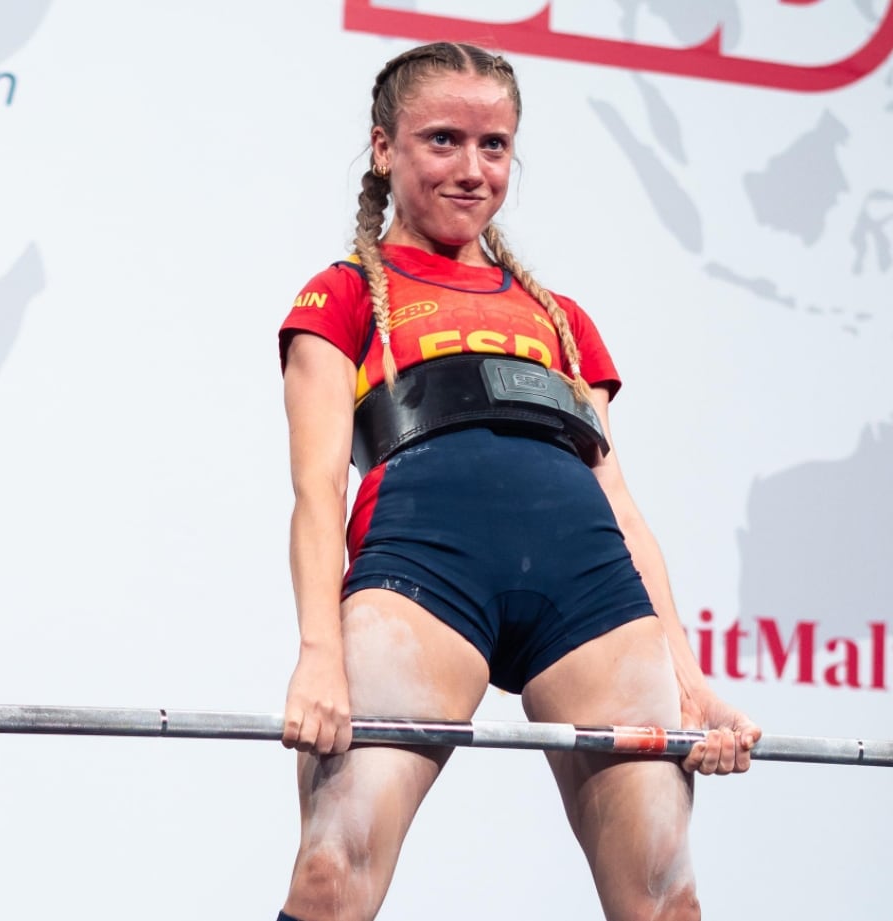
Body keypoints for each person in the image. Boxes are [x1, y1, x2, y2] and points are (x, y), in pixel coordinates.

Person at [275, 41, 760, 921]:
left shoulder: (559, 318)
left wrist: (686, 676)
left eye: (493, 145)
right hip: (423, 578)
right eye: (443, 140)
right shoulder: (341, 296)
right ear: (383, 147)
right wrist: (317, 659)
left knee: (665, 899)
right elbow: (317, 493)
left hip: (590, 594)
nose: (471, 169)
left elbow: (620, 504)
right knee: (331, 874)